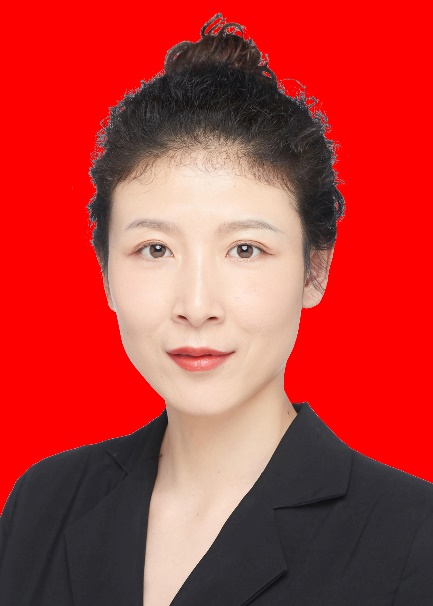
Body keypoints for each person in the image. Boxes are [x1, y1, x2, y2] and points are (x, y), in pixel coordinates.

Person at [1, 12, 432, 606]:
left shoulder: (413, 537)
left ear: (315, 269)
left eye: (245, 249)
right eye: (155, 249)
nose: (197, 306)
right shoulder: (42, 505)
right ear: (105, 272)